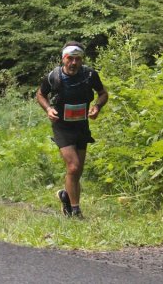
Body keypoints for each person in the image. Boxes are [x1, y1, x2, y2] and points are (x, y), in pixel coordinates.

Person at [36, 41, 108, 218]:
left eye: (78, 59)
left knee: (77, 171)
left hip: (81, 125)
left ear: (82, 60)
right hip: (62, 125)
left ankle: (65, 196)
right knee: (74, 166)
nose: (74, 63)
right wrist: (48, 109)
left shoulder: (90, 75)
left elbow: (103, 93)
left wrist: (97, 107)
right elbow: (40, 94)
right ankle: (76, 211)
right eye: (70, 58)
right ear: (63, 59)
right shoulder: (54, 76)